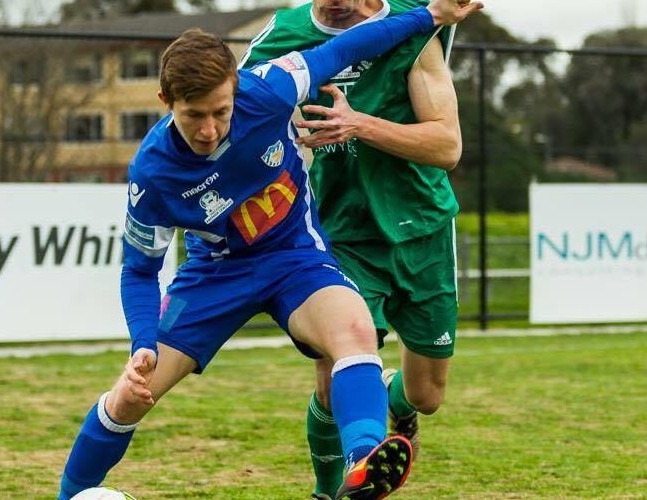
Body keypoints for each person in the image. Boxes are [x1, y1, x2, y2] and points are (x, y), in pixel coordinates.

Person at [57, 1, 482, 499]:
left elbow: (349, 46)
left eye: (220, 112)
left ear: (236, 90)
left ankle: (363, 464)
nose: (209, 130)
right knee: (132, 395)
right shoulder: (152, 174)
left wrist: (430, 16)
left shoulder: (270, 88)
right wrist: (143, 344)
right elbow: (139, 271)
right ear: (166, 101)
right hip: (216, 275)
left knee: (355, 331)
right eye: (194, 116)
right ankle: (71, 493)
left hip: (294, 258)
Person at [240, 0, 468, 497]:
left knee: (427, 395)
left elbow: (447, 145)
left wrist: (358, 124)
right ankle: (329, 491)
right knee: (333, 379)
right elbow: (232, 110)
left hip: (423, 228)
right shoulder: (283, 35)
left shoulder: (412, 27)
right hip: (339, 232)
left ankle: (394, 399)